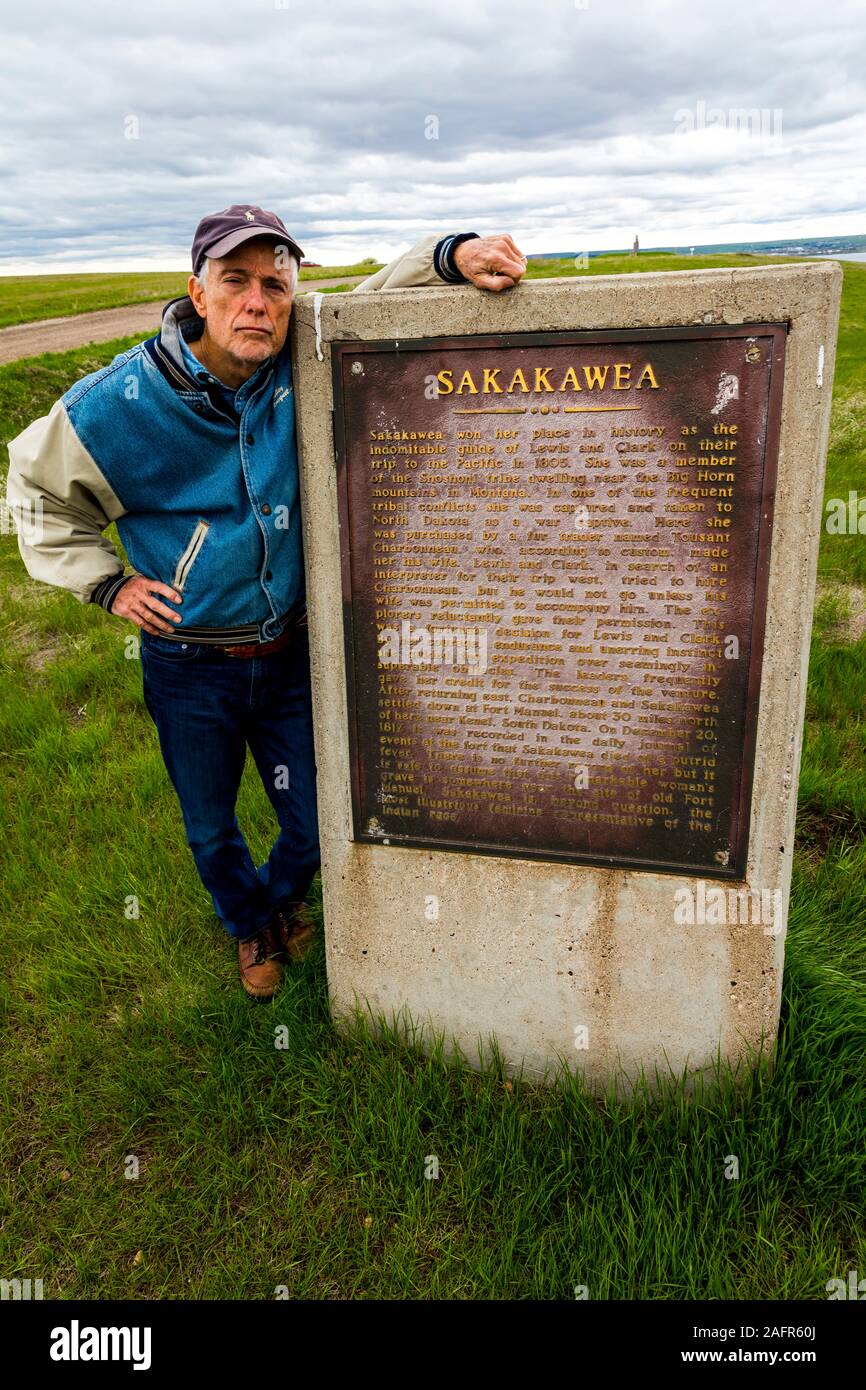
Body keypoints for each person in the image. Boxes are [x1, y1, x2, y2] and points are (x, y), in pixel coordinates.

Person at [6, 206, 527, 999]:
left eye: (276, 284)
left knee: (316, 819)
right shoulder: (116, 403)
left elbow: (379, 293)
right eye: (237, 282)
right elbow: (35, 492)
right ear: (198, 293)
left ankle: (282, 902)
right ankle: (249, 928)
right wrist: (106, 583)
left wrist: (454, 253)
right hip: (190, 665)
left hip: (287, 653)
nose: (259, 301)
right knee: (211, 825)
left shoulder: (300, 358)